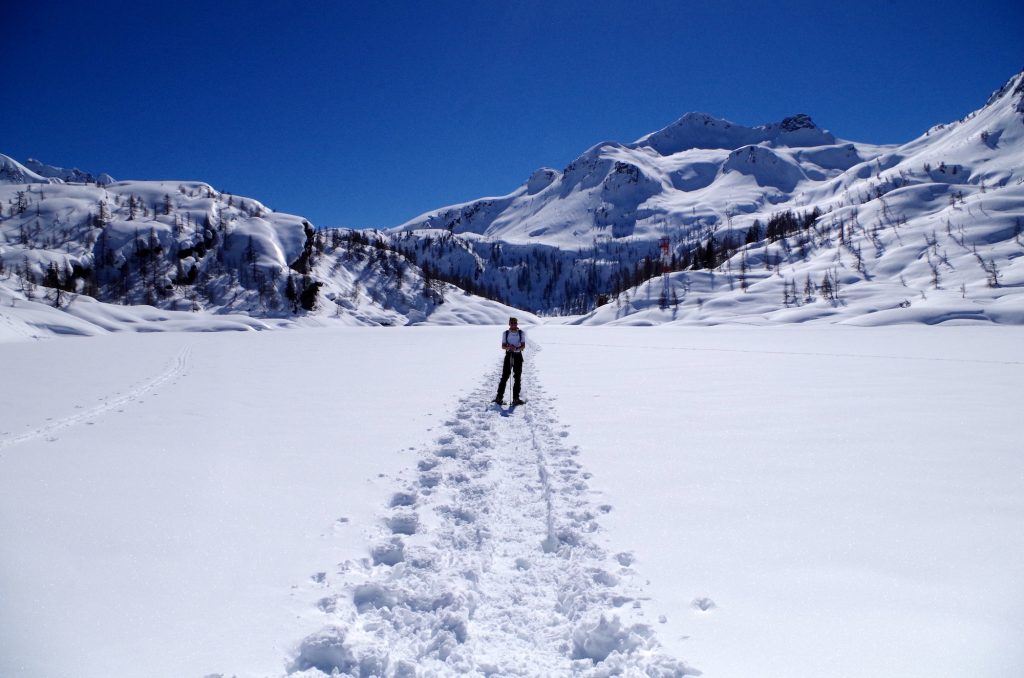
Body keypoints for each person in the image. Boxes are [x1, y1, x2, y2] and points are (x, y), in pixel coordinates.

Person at [494, 317, 526, 405]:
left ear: (517, 324)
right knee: (505, 377)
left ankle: (516, 398)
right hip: (508, 355)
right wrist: (509, 347)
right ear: (509, 324)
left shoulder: (521, 333)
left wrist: (516, 348)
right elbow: (503, 346)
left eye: (515, 323)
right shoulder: (506, 333)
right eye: (512, 323)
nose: (513, 324)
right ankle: (499, 397)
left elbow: (523, 346)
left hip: (518, 356)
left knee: (517, 378)